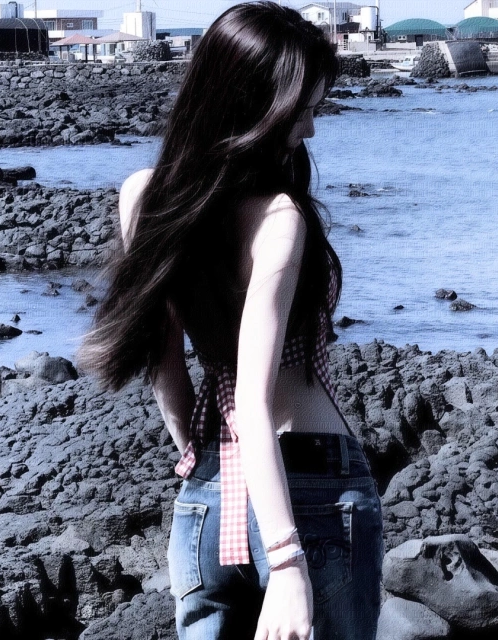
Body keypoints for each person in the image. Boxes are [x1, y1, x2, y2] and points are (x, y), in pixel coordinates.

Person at [78, 3, 383, 639]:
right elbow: (253, 401)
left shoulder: (142, 195)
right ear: (254, 107)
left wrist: (203, 464)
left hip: (210, 489)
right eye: (302, 111)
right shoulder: (278, 218)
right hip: (312, 494)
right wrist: (287, 563)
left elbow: (164, 364)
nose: (310, 129)